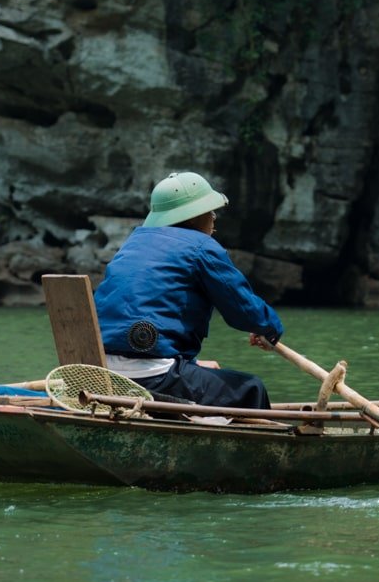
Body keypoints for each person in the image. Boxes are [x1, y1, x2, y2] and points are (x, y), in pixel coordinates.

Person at [94, 171, 284, 409]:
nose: (214, 218)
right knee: (251, 388)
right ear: (194, 217)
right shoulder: (202, 247)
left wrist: (191, 364)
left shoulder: (134, 242)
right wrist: (269, 328)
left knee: (203, 371)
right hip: (151, 377)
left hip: (100, 371)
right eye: (211, 211)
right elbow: (243, 310)